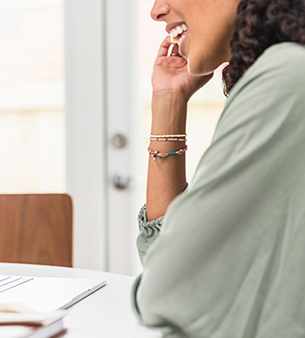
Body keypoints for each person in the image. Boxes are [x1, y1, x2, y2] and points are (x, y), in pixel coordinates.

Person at [131, 0, 305, 337]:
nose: (156, 10)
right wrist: (169, 101)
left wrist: (170, 274)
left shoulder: (289, 75)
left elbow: (170, 290)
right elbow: (167, 261)